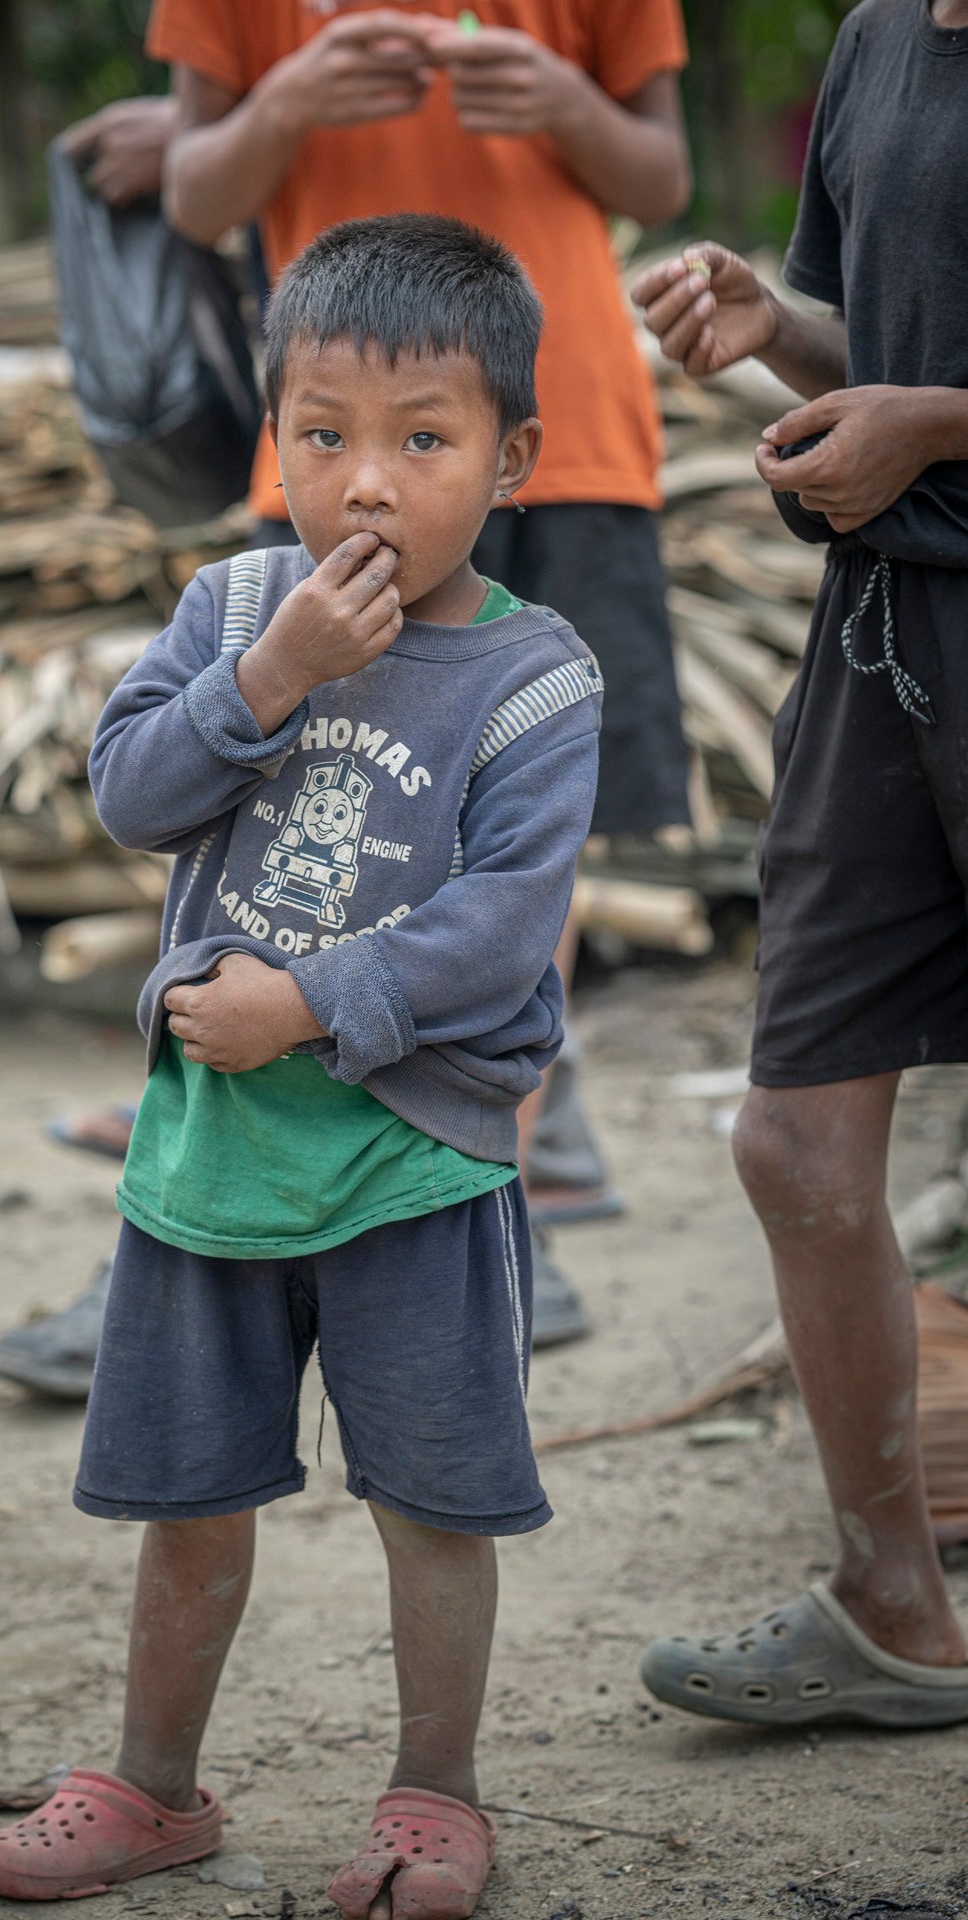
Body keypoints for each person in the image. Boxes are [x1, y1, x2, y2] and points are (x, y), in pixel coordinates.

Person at [0, 213, 601, 1915]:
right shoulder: (234, 602)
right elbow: (131, 796)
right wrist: (274, 672)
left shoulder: (536, 682)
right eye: (325, 436)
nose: (367, 484)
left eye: (423, 440)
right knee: (192, 1493)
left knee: (431, 1499)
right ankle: (154, 1788)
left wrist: (304, 1002)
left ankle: (432, 1797)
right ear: (274, 445)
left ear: (515, 456)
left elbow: (501, 927)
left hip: (413, 1155)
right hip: (217, 1151)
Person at [0, 0, 694, 1380]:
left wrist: (559, 99)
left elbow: (662, 179)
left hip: (572, 432)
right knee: (283, 807)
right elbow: (197, 188)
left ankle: (500, 1197)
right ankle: (200, 1203)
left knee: (515, 850)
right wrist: (293, 94)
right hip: (318, 440)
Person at [631, 0, 968, 1729]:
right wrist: (782, 330)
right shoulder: (878, 39)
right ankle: (892, 1603)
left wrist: (943, 421)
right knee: (797, 1135)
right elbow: (876, 350)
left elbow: (928, 394)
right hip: (885, 632)